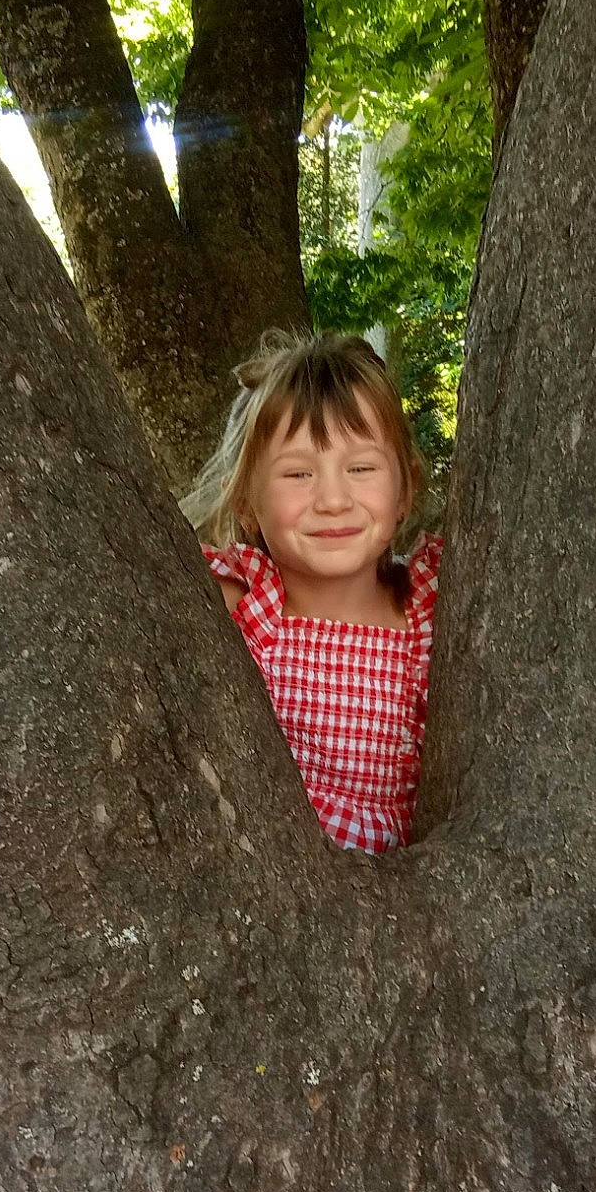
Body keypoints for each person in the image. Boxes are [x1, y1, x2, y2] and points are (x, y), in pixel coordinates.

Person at [180, 329, 442, 853]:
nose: (332, 499)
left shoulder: (431, 622)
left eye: (361, 468)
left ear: (404, 490)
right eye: (298, 473)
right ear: (247, 504)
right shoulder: (248, 610)